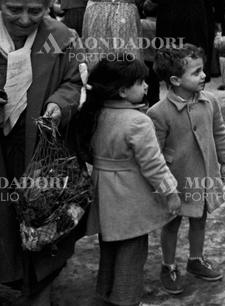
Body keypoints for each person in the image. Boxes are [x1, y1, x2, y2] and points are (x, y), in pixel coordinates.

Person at [0, 0, 83, 305]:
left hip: (39, 149)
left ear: (49, 7)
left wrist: (59, 105)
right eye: (13, 9)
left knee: (43, 217)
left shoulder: (59, 39)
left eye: (35, 10)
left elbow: (75, 81)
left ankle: (40, 288)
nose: (23, 19)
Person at [77, 58, 181, 306]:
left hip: (103, 192)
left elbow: (88, 152)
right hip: (129, 196)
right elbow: (153, 164)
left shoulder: (94, 113)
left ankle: (105, 295)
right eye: (140, 82)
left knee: (109, 247)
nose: (146, 86)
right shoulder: (138, 121)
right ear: (122, 90)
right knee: (133, 251)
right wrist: (171, 192)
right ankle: (127, 300)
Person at [148, 44, 225, 295]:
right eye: (196, 73)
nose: (204, 76)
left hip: (204, 176)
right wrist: (163, 185)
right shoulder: (158, 113)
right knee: (172, 223)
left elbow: (219, 133)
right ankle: (168, 265)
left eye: (203, 70)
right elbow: (155, 152)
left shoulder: (210, 102)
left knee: (200, 218)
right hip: (176, 180)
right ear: (175, 80)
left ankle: (195, 260)